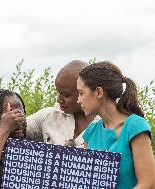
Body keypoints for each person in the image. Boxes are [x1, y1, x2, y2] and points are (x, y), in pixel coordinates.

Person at [77, 61, 155, 189]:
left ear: (98, 92)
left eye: (81, 93)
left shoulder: (135, 127)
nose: (78, 100)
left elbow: (148, 184)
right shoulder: (91, 132)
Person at [25, 60, 96, 146]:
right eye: (58, 93)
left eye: (66, 95)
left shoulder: (108, 126)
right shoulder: (48, 117)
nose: (59, 100)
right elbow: (16, 130)